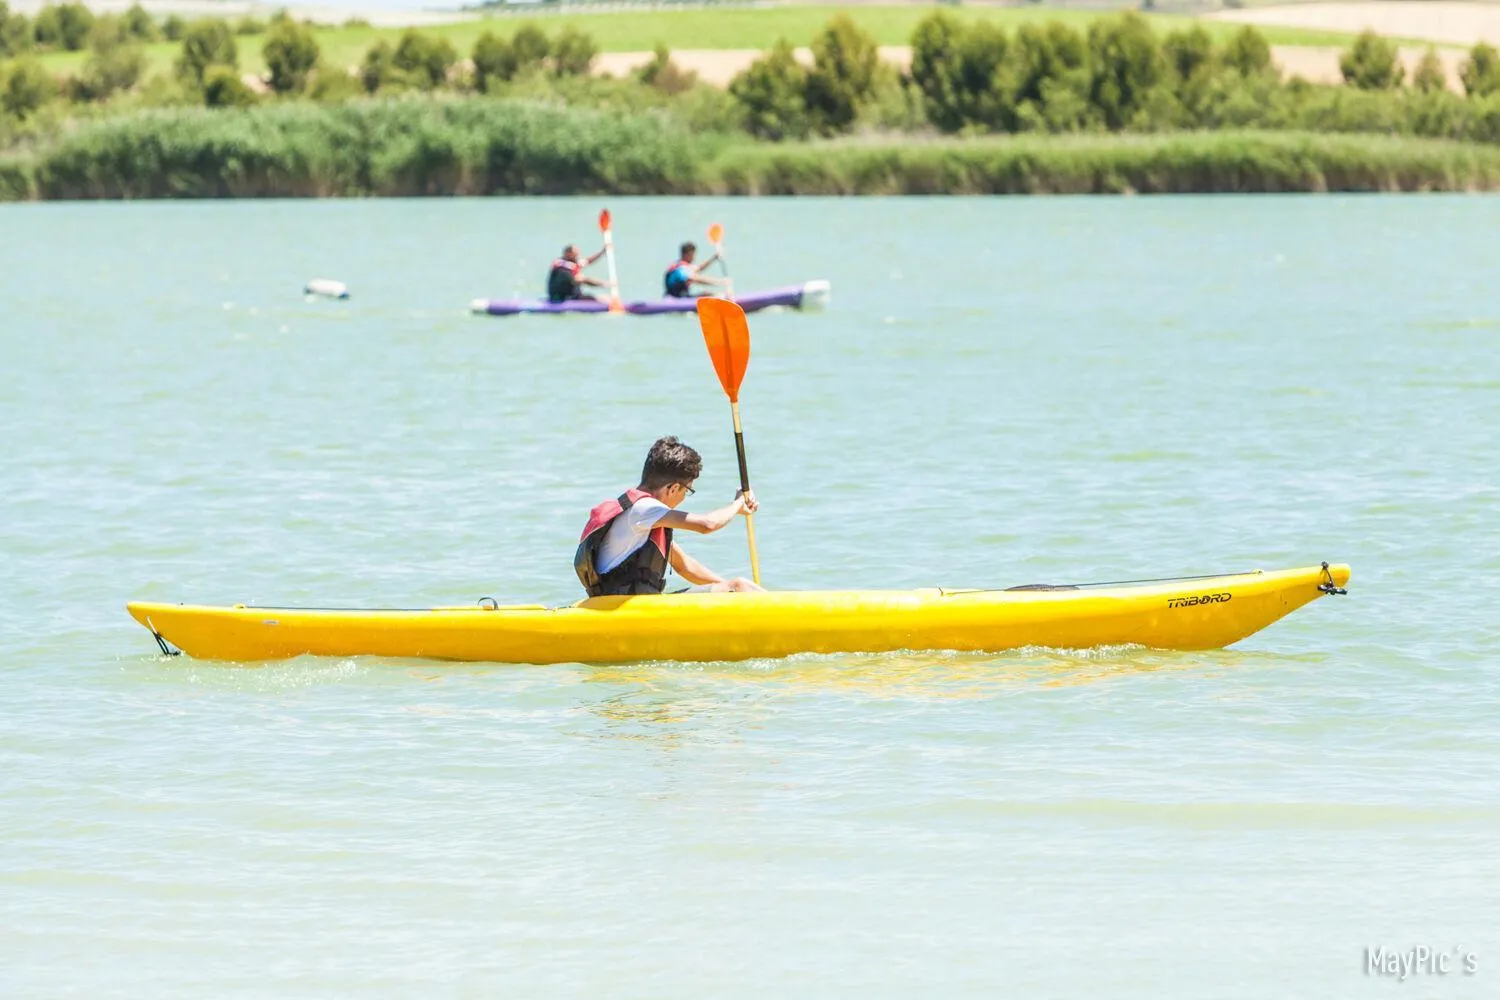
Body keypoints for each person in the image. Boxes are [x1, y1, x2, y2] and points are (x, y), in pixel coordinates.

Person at [575, 436, 762, 596]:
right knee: (741, 586)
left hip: (627, 605)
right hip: (630, 610)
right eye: (686, 491)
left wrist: (729, 590)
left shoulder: (640, 521)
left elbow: (685, 566)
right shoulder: (643, 509)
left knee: (739, 587)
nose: (683, 498)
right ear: (673, 488)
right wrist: (737, 504)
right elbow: (707, 524)